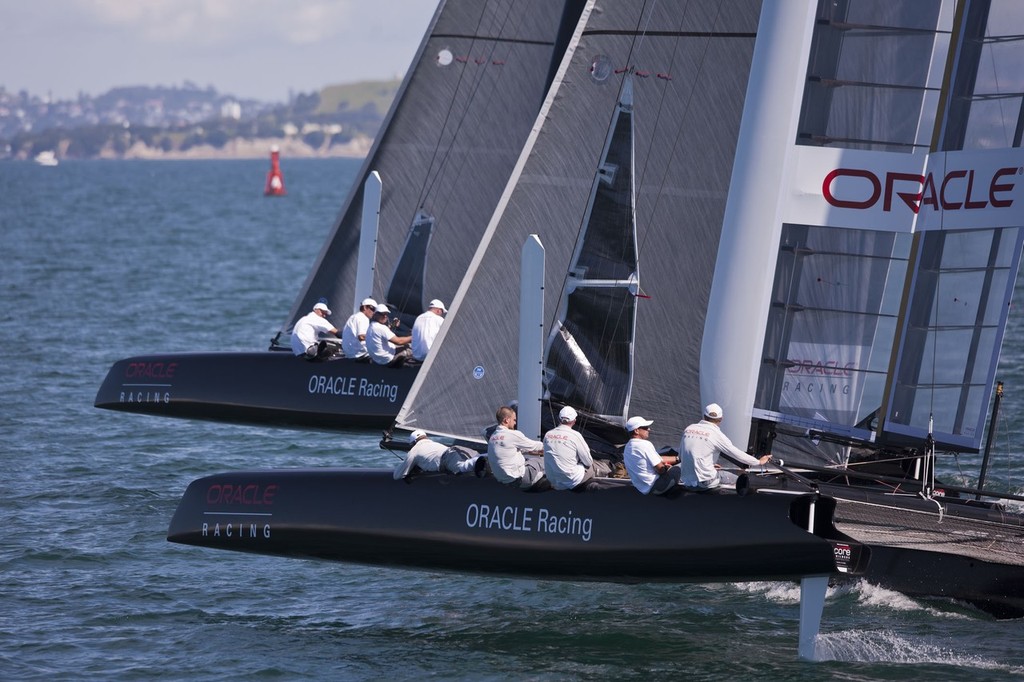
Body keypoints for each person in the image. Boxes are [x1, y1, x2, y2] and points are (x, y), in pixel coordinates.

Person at [679, 403, 770, 490]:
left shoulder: (689, 428)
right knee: (742, 475)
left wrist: (708, 465)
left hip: (687, 482)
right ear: (721, 419)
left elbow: (682, 455)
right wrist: (758, 462)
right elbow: (735, 453)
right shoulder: (716, 434)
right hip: (705, 483)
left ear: (704, 416)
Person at [543, 406, 612, 490]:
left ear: (559, 419)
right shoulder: (575, 435)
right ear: (574, 421)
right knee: (596, 466)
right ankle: (610, 473)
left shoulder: (547, 434)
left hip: (553, 479)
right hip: (571, 479)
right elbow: (588, 462)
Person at [487, 405, 547, 490]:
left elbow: (516, 451)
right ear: (507, 420)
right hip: (520, 479)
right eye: (514, 420)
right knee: (544, 460)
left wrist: (537, 452)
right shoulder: (512, 434)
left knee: (530, 459)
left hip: (506, 482)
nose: (515, 423)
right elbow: (535, 446)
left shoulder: (492, 437)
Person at [622, 416, 681, 495]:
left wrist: (678, 458)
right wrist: (667, 468)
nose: (649, 429)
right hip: (659, 486)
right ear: (636, 431)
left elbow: (659, 459)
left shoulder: (627, 447)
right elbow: (660, 469)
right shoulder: (645, 444)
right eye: (645, 427)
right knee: (684, 465)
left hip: (643, 489)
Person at [393, 430, 480, 480]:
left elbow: (397, 476)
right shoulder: (433, 443)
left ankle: (478, 462)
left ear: (413, 443)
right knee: (478, 457)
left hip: (448, 458)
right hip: (457, 449)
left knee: (463, 467)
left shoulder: (414, 451)